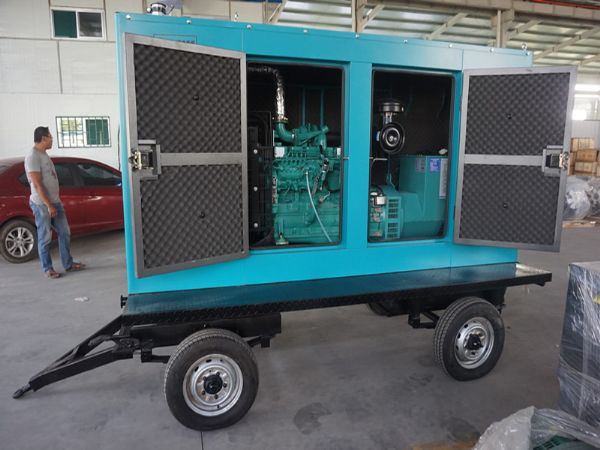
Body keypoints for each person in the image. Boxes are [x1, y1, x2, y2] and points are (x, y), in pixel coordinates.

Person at [25, 126, 85, 278]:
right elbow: (37, 184)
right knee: (45, 237)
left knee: (65, 232)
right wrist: (49, 205)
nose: (52, 140)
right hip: (42, 204)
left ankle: (68, 264)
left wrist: (54, 202)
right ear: (43, 138)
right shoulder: (32, 156)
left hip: (54, 201)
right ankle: (48, 269)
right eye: (50, 137)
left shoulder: (43, 154)